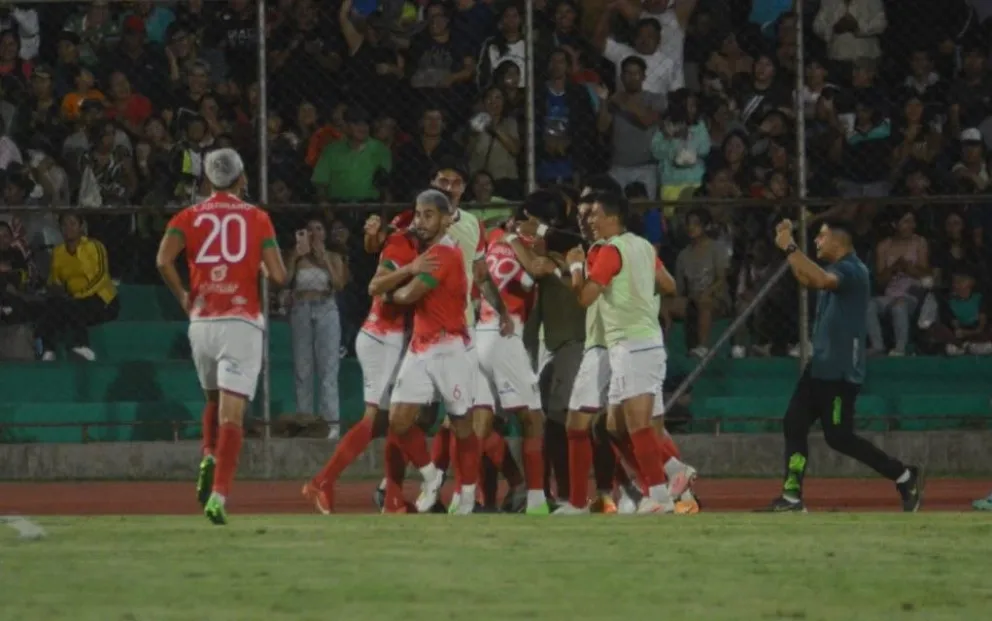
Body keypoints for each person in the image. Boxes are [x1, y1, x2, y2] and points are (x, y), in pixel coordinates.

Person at [156, 148, 287, 525]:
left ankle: (209, 454)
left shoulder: (189, 215)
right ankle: (219, 494)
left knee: (212, 398)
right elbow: (278, 276)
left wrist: (183, 295)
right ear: (242, 178)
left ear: (207, 181)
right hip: (241, 321)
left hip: (202, 322)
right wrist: (261, 264)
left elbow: (163, 259)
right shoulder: (258, 217)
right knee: (234, 414)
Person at [765, 219, 922, 513]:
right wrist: (789, 249)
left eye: (821, 237)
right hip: (820, 366)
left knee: (840, 437)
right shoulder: (838, 270)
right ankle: (791, 495)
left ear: (839, 241)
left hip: (839, 372)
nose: (817, 242)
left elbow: (819, 279)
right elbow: (805, 276)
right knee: (793, 423)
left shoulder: (853, 269)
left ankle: (903, 475)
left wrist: (789, 244)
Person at [560, 191, 689, 515]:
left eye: (595, 215)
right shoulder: (643, 246)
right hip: (640, 342)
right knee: (616, 425)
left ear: (612, 218)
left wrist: (575, 267)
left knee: (636, 425)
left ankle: (658, 497)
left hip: (632, 344)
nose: (590, 220)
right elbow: (669, 284)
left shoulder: (609, 250)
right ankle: (672, 472)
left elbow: (586, 297)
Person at [302, 219, 430, 513]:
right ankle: (324, 481)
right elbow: (377, 285)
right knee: (378, 420)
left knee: (391, 421)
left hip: (392, 338)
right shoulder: (402, 244)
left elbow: (375, 245)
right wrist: (410, 270)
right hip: (385, 338)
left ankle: (391, 498)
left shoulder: (415, 244)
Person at [379, 189, 481, 515]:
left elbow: (409, 295)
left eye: (428, 215)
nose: (420, 221)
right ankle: (431, 474)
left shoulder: (445, 254)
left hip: (449, 347)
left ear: (445, 219)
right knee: (398, 419)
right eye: (418, 214)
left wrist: (390, 295)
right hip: (421, 346)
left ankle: (466, 496)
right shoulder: (425, 252)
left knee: (461, 423)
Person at [472, 218, 556, 515]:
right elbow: (538, 268)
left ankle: (467, 498)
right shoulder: (527, 248)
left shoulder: (491, 239)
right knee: (533, 418)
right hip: (505, 335)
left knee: (481, 423)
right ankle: (534, 501)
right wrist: (537, 239)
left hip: (479, 333)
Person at [285, 215, 349, 438]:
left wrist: (324, 259)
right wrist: (294, 256)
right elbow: (284, 280)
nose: (314, 234)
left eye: (319, 229)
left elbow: (339, 284)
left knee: (328, 370)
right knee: (303, 369)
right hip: (301, 308)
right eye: (309, 230)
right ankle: (306, 422)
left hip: (326, 307)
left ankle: (331, 424)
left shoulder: (333, 256)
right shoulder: (298, 257)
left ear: (325, 233)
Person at [40, 212, 120, 361]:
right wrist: (54, 289)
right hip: (73, 300)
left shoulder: (94, 246)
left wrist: (79, 295)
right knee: (52, 304)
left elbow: (101, 276)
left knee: (76, 306)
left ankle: (82, 345)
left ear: (81, 227)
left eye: (72, 224)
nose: (68, 228)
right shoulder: (58, 252)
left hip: (102, 299)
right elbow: (55, 280)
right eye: (64, 225)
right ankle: (48, 350)